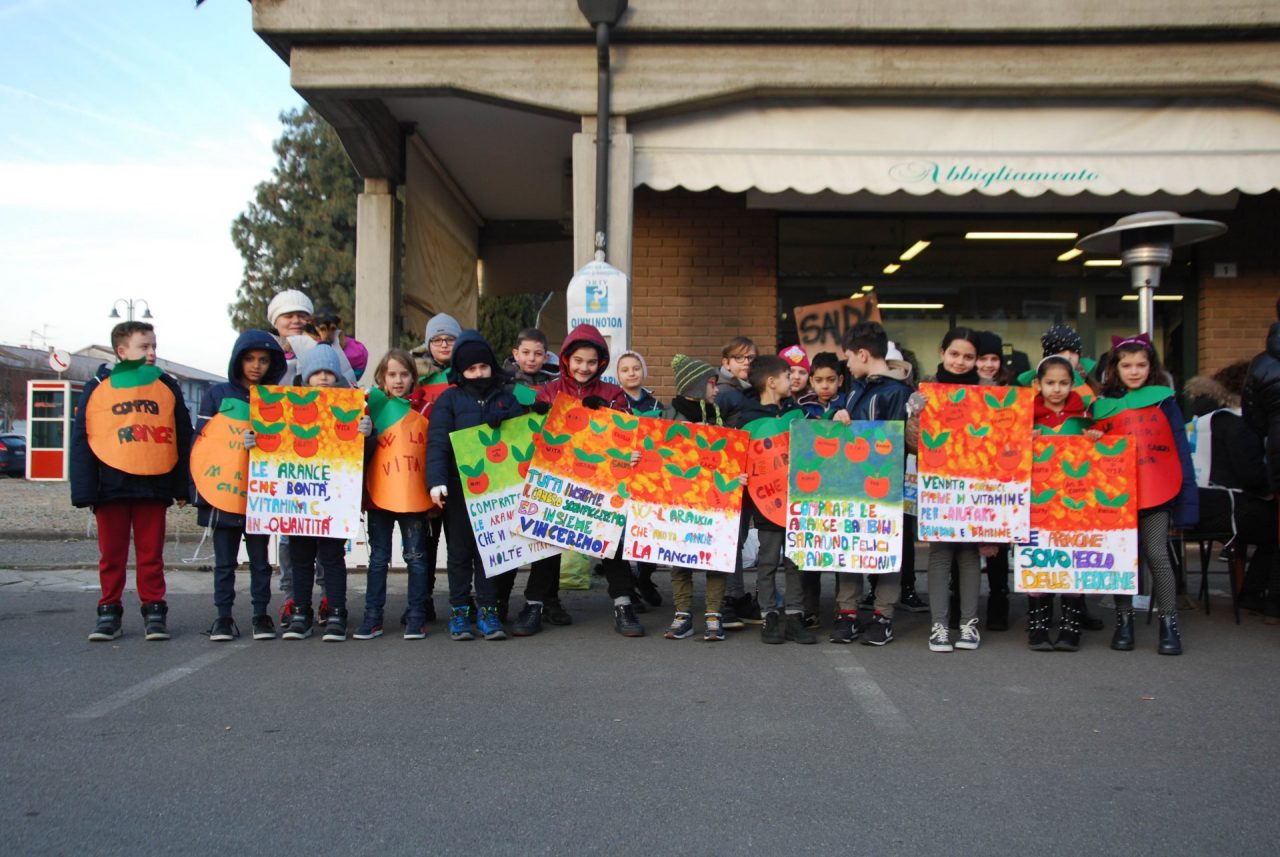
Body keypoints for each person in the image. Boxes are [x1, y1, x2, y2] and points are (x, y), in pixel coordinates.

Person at [73, 321, 193, 642]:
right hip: (109, 487)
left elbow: (183, 437)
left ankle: (154, 610)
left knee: (151, 555)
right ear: (122, 351)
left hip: (153, 486)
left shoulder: (166, 385)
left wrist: (183, 487)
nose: (152, 352)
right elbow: (82, 437)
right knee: (111, 556)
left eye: (154, 346)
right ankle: (109, 611)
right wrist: (84, 490)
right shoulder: (99, 385)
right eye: (145, 347)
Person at [249, 344, 371, 641]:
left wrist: (368, 433)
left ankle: (337, 613)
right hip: (297, 502)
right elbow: (272, 444)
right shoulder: (286, 405)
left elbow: (364, 456)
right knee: (300, 557)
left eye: (330, 372)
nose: (324, 378)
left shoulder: (353, 408)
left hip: (334, 500)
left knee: (332, 559)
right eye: (317, 372)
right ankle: (301, 611)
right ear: (305, 377)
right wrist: (255, 439)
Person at [533, 323, 647, 636]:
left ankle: (623, 603)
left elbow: (628, 434)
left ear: (601, 363)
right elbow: (534, 432)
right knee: (547, 538)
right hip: (556, 479)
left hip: (602, 481)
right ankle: (540, 603)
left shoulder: (612, 394)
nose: (584, 367)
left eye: (592, 362)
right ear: (566, 359)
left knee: (609, 541)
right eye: (578, 360)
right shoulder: (550, 391)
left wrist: (626, 447)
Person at [1094, 333, 1197, 655]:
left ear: (1151, 367)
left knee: (1156, 553)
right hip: (1118, 494)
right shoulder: (1103, 404)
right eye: (1127, 365)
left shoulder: (1164, 402)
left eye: (1141, 365)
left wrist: (1186, 500)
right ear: (1116, 368)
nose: (1134, 371)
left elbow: (1180, 448)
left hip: (1157, 489)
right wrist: (1093, 437)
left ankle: (1169, 623)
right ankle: (1124, 622)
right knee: (1124, 558)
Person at [428, 331, 525, 641]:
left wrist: (509, 417)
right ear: (461, 371)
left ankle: (488, 610)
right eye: (471, 369)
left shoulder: (506, 397)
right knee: (458, 554)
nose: (479, 374)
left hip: (496, 492)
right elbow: (438, 444)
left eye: (483, 367)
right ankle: (459, 611)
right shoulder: (449, 399)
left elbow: (521, 437)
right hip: (458, 489)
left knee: (491, 553)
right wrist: (437, 481)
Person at [193, 330, 287, 642]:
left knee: (260, 560)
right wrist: (197, 492)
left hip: (261, 495)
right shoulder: (217, 395)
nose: (256, 366)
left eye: (263, 360)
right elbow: (201, 444)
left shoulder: (277, 399)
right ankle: (223, 617)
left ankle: (261, 614)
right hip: (223, 492)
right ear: (238, 360)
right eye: (249, 359)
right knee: (224, 561)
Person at [829, 322, 913, 646]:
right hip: (851, 485)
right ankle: (847, 612)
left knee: (885, 550)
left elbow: (902, 441)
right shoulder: (853, 390)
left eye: (848, 357)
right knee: (849, 548)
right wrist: (837, 418)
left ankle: (883, 615)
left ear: (863, 354)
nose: (847, 364)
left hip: (885, 489)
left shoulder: (899, 393)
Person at [906, 327, 986, 652]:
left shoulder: (988, 394)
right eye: (954, 354)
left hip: (978, 484)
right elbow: (913, 446)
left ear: (976, 359)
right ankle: (939, 625)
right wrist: (915, 415)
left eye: (968, 356)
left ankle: (968, 624)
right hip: (939, 484)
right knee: (940, 553)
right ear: (942, 353)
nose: (960, 361)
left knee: (969, 554)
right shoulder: (925, 393)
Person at [1188, 365, 1279, 621]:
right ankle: (1255, 595)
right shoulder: (1237, 421)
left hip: (1193, 505)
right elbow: (1250, 473)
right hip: (1225, 508)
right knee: (1275, 530)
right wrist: (1269, 490)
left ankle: (1250, 593)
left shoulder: (1200, 419)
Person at [736, 354, 815, 644]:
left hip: (797, 500)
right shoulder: (748, 420)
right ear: (771, 382)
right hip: (767, 503)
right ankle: (769, 616)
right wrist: (740, 475)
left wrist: (838, 416)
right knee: (768, 561)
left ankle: (795, 616)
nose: (792, 379)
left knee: (796, 562)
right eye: (786, 375)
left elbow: (817, 439)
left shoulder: (798, 413)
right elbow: (738, 460)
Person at [499, 327, 573, 634]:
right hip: (509, 468)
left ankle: (548, 599)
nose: (531, 359)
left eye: (538, 353)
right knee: (509, 536)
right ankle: (499, 599)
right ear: (515, 354)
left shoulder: (557, 384)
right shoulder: (502, 382)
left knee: (548, 536)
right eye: (525, 352)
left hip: (547, 467)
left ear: (547, 355)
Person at [356, 349, 433, 640]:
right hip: (378, 496)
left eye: (404, 374)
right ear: (382, 378)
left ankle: (416, 616)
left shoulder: (424, 410)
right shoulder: (370, 410)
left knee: (415, 556)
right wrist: (365, 436)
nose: (398, 380)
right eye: (392, 375)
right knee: (378, 558)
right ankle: (372, 617)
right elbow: (360, 457)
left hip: (412, 497)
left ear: (413, 377)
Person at [1027, 356, 1098, 652]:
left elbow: (1103, 453)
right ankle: (1038, 625)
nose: (1057, 389)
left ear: (1073, 384)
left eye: (1064, 383)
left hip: (1075, 500)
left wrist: (1096, 437)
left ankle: (1071, 625)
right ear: (1038, 384)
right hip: (1037, 499)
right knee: (1038, 555)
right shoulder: (1026, 414)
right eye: (1050, 383)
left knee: (1073, 556)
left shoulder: (1085, 414)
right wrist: (1023, 438)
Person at [662, 353, 732, 641]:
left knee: (715, 557)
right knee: (679, 558)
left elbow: (729, 452)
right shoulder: (668, 414)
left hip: (713, 498)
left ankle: (714, 613)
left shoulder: (717, 415)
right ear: (694, 386)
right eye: (712, 384)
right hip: (677, 497)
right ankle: (683, 613)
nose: (716, 390)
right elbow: (658, 448)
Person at [716, 336, 764, 627]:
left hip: (748, 475)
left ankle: (734, 596)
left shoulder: (748, 392)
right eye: (740, 358)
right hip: (730, 476)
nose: (746, 363)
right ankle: (729, 599)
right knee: (732, 537)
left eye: (750, 358)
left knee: (740, 537)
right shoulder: (725, 393)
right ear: (726, 363)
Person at [615, 349, 665, 610]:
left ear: (643, 371)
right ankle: (629, 588)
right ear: (618, 375)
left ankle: (644, 578)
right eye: (625, 369)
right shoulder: (614, 404)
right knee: (624, 536)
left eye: (636, 368)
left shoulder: (657, 406)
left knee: (649, 535)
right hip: (623, 478)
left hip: (651, 478)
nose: (631, 373)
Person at [972, 330, 1013, 631]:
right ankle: (962, 603)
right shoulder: (958, 389)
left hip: (1001, 476)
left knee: (999, 546)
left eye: (993, 358)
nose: (988, 365)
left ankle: (999, 600)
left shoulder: (1013, 391)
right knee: (963, 545)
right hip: (967, 473)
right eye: (982, 358)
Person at [313, 310, 369, 381]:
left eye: (332, 329)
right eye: (322, 329)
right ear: (315, 327)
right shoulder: (307, 341)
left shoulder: (355, 348)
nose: (327, 335)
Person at [414, 313, 460, 387]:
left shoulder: (471, 372)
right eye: (437, 340)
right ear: (428, 345)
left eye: (450, 339)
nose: (444, 345)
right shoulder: (412, 375)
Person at [802, 351, 847, 419]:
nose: (825, 386)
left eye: (831, 380)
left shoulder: (848, 403)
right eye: (818, 380)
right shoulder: (805, 407)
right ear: (812, 382)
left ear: (840, 380)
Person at [780, 344, 818, 411]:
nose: (797, 377)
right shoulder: (771, 401)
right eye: (791, 371)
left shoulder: (816, 400)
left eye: (802, 372)